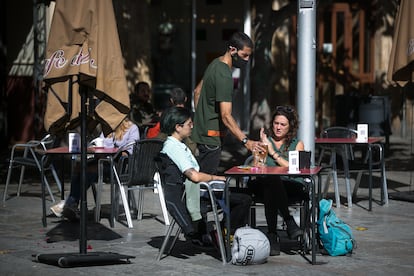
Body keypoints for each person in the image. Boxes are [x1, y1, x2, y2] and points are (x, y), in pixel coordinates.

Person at [160, 106, 251, 244]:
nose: (192, 126)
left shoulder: (177, 144)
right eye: (189, 123)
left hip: (194, 191)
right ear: (178, 127)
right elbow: (194, 176)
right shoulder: (174, 147)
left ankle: (222, 232)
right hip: (195, 195)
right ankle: (224, 234)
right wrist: (216, 177)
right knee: (244, 199)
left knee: (241, 194)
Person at [191, 31, 264, 175]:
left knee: (200, 178)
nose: (247, 60)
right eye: (244, 55)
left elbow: (197, 92)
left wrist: (200, 118)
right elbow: (226, 116)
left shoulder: (215, 63)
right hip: (212, 137)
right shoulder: (225, 75)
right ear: (232, 50)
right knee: (205, 182)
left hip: (202, 134)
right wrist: (246, 141)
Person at [50, 117, 140, 220]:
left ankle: (70, 203)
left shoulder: (132, 128)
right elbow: (103, 146)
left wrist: (115, 152)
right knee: (79, 167)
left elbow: (130, 150)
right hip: (107, 163)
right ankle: (72, 203)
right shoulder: (108, 128)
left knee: (91, 169)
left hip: (123, 167)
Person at [250, 105, 305, 256]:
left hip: (290, 184)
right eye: (276, 123)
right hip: (267, 184)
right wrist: (259, 153)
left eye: (283, 124)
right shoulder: (265, 141)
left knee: (272, 184)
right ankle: (288, 221)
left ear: (290, 126)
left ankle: (273, 234)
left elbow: (293, 168)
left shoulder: (297, 144)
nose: (278, 127)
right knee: (271, 181)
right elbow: (256, 168)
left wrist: (272, 152)